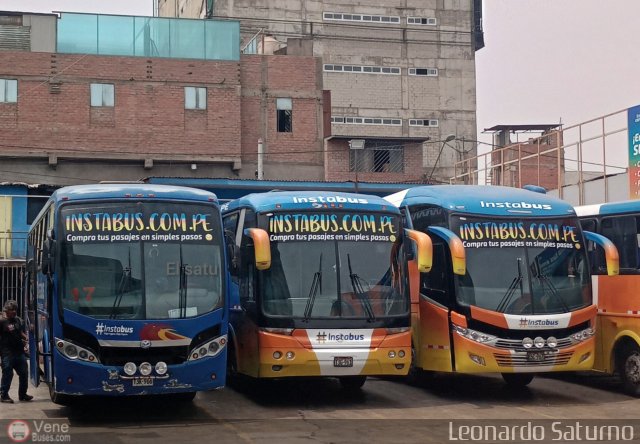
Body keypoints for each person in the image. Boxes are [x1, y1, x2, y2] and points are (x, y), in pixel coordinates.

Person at [0, 300, 33, 403]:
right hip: (7, 353)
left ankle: (22, 395)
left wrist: (27, 337)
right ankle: (4, 395)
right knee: (8, 374)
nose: (14, 311)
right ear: (6, 310)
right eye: (11, 309)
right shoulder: (2, 321)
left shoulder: (18, 320)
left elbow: (20, 332)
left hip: (19, 352)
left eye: (15, 309)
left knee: (24, 373)